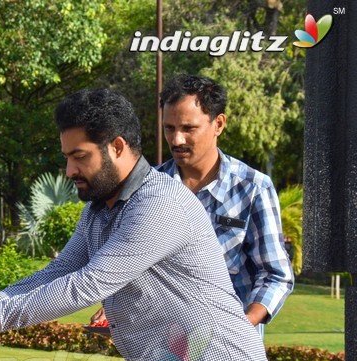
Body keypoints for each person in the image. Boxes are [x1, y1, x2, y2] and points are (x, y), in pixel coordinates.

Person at [0, 88, 280, 361]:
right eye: (67, 158)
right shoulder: (99, 210)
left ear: (116, 147)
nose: (69, 172)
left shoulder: (160, 202)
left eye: (80, 157)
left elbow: (87, 284)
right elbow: (60, 271)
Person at [90, 75, 294, 336]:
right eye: (169, 128)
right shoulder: (146, 188)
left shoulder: (253, 188)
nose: (176, 140)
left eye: (188, 128)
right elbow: (135, 264)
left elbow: (275, 275)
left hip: (230, 357)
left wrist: (239, 327)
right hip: (161, 348)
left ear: (218, 124)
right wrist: (114, 306)